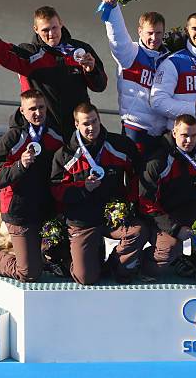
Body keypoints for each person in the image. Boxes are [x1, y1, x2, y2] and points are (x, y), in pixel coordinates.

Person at [0, 5, 107, 142]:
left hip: (77, 129)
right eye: (45, 30)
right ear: (36, 30)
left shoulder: (81, 50)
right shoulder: (29, 54)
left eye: (54, 28)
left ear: (61, 24)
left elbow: (100, 86)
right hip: (45, 132)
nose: (51, 34)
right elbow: (0, 51)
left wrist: (92, 70)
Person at [50, 103, 149, 285]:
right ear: (76, 124)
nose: (91, 127)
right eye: (86, 123)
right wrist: (83, 188)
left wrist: (129, 201)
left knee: (138, 231)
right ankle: (67, 260)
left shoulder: (120, 145)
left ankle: (113, 266)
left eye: (94, 121)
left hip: (111, 216)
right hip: (82, 220)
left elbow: (137, 175)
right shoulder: (65, 155)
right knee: (86, 278)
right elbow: (57, 190)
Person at [0, 90, 63, 282]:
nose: (37, 113)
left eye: (41, 107)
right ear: (22, 111)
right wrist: (20, 165)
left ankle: (37, 257)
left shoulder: (56, 136)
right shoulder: (13, 138)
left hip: (47, 211)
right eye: (32, 109)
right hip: (19, 210)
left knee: (62, 264)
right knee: (28, 274)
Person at [139, 114, 196, 286]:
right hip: (160, 219)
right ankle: (141, 262)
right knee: (169, 251)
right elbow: (146, 204)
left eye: (193, 135)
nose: (189, 140)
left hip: (186, 211)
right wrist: (175, 228)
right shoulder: (158, 160)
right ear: (174, 133)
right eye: (184, 135)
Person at [150, 12, 196, 176]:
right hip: (184, 143)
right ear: (187, 30)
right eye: (195, 28)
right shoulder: (173, 62)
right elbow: (157, 101)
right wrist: (192, 108)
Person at [100, 0, 170, 155]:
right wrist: (113, 8)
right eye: (150, 33)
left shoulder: (170, 59)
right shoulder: (130, 53)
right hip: (135, 129)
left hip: (162, 131)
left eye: (159, 33)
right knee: (134, 177)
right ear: (140, 31)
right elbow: (118, 37)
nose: (154, 38)